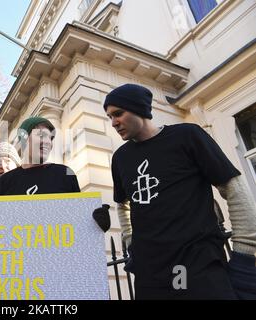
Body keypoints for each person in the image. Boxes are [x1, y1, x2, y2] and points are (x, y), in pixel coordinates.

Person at [104, 83, 256, 299]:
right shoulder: (120, 158)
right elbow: (123, 204)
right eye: (110, 117)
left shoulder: (186, 136)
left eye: (118, 113)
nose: (113, 123)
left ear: (139, 109)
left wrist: (244, 253)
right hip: (150, 274)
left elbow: (233, 188)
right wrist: (132, 244)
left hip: (196, 266)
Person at [0, 116, 110, 232]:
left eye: (50, 138)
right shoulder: (6, 181)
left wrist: (95, 222)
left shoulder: (65, 174)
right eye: (41, 136)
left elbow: (77, 220)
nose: (47, 142)